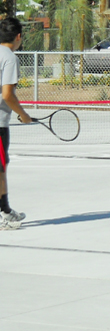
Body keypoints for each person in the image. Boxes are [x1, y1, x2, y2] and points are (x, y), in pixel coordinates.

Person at [0, 18, 31, 231]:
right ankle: (3, 215)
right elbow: (8, 94)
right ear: (18, 37)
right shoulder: (9, 58)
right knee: (0, 169)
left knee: (2, 167)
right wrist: (24, 114)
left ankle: (6, 210)